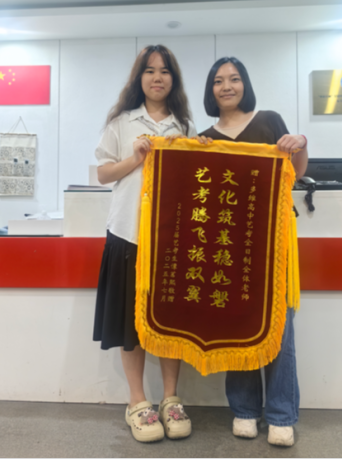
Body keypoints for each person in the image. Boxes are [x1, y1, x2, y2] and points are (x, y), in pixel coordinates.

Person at [197, 57, 308, 448]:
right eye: (218, 81)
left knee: (279, 328)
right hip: (229, 245)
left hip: (274, 240)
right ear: (211, 90)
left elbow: (295, 172)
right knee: (236, 326)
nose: (227, 86)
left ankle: (281, 415)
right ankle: (244, 410)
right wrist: (194, 155)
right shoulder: (204, 137)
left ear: (245, 84)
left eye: (234, 79)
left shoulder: (269, 121)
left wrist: (300, 144)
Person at [93, 45, 197, 444]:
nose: (157, 77)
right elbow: (104, 174)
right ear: (139, 78)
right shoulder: (121, 122)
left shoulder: (183, 125)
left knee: (170, 322)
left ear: (174, 79)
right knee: (130, 322)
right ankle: (137, 401)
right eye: (150, 70)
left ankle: (171, 399)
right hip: (128, 234)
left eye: (165, 71)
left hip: (172, 239)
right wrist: (135, 158)